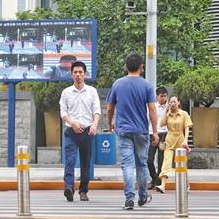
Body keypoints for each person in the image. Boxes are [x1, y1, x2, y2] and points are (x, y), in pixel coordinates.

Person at [106, 52, 159, 210]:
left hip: (123, 131)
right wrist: (155, 131)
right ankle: (142, 197)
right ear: (141, 67)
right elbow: (152, 110)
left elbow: (110, 108)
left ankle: (129, 199)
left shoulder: (117, 84)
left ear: (126, 66)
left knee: (127, 166)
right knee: (142, 165)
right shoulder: (147, 86)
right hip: (142, 131)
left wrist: (110, 123)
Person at [59, 61, 101, 202]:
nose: (78, 75)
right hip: (71, 131)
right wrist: (72, 123)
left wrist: (94, 126)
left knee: (85, 162)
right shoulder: (66, 92)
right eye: (75, 72)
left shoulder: (92, 91)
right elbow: (63, 112)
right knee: (70, 160)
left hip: (87, 131)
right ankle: (69, 187)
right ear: (71, 74)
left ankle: (83, 191)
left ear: (85, 74)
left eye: (80, 72)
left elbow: (96, 111)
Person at [156, 95, 192, 193]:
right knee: (166, 163)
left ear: (179, 103)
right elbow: (161, 124)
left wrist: (186, 140)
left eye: (174, 102)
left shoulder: (184, 114)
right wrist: (165, 111)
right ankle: (163, 186)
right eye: (171, 102)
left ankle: (186, 185)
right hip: (170, 140)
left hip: (180, 140)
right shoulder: (168, 114)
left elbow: (187, 127)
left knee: (181, 165)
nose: (172, 104)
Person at [147, 86, 168, 190]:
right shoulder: (152, 106)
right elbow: (147, 120)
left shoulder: (169, 107)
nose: (163, 98)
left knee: (161, 160)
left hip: (164, 135)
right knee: (149, 160)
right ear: (157, 96)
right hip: (152, 134)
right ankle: (154, 178)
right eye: (161, 96)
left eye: (165, 96)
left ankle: (158, 181)